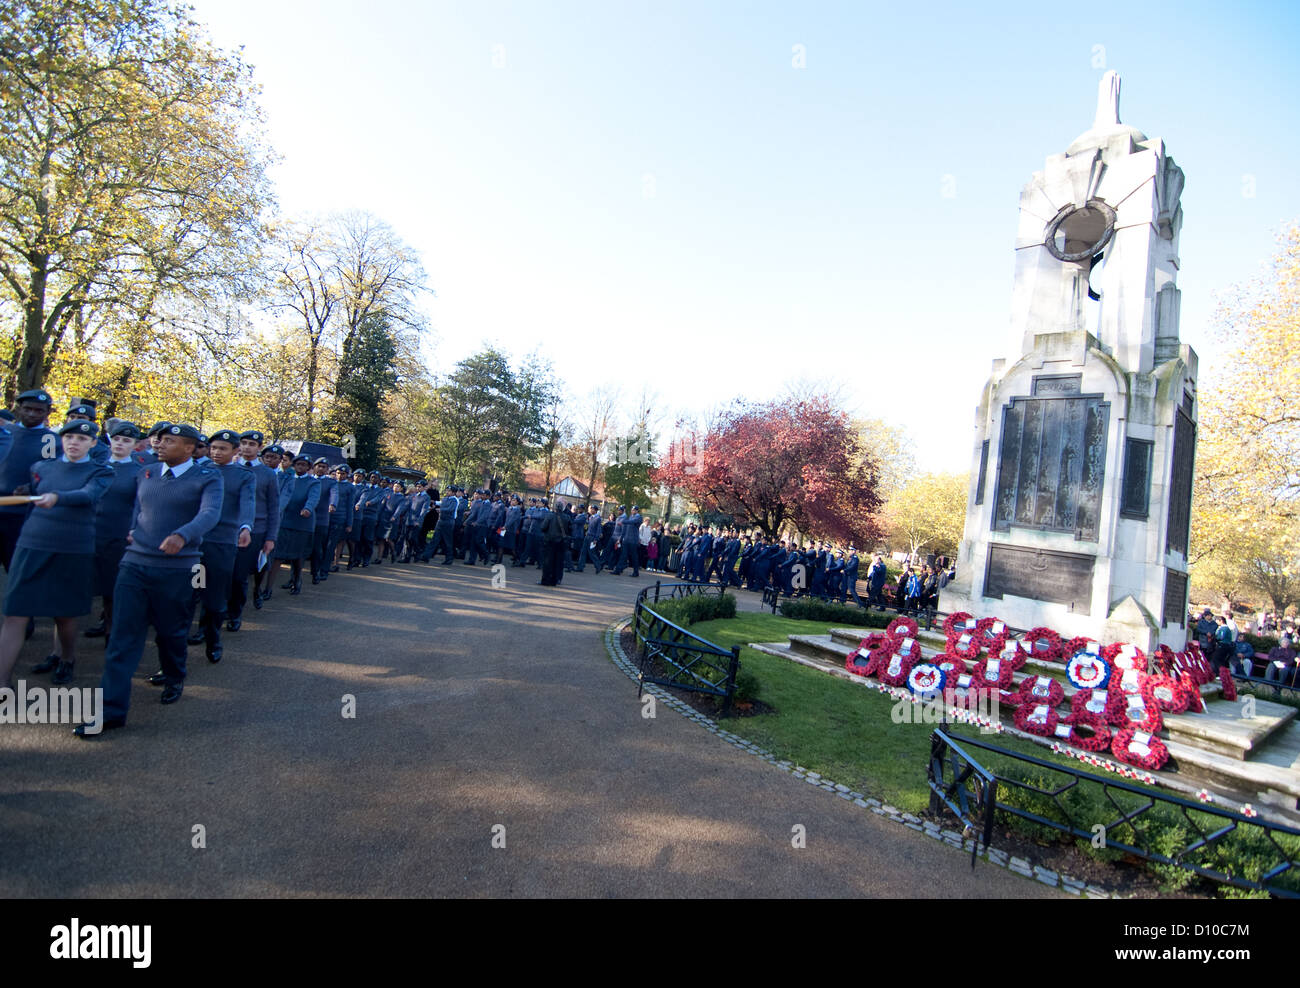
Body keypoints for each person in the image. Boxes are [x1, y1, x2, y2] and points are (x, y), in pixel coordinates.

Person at [76, 424, 222, 735]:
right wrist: (133, 529)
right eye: (159, 439)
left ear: (188, 448)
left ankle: (174, 675)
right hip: (134, 564)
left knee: (170, 633)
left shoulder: (208, 478)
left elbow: (210, 514)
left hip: (178, 569)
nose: (159, 444)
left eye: (169, 441)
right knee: (122, 638)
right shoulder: (147, 472)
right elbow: (137, 507)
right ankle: (110, 712)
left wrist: (182, 536)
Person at [0, 420, 111, 689]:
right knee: (16, 613)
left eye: (82, 439)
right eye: (69, 436)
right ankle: (2, 681)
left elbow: (88, 495)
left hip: (72, 547)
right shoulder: (40, 468)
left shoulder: (101, 471)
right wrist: (28, 492)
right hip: (32, 544)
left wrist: (57, 497)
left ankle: (67, 659)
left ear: (93, 443)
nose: (74, 442)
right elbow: (32, 501)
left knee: (65, 614)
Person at [189, 430, 253, 663]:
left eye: (223, 449)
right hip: (195, 541)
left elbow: (247, 503)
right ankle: (193, 634)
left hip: (222, 542)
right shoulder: (197, 471)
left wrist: (245, 526)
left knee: (214, 595)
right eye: (213, 448)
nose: (216, 452)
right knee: (191, 591)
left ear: (235, 452)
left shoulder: (244, 476)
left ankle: (213, 637)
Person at [84, 422, 145, 641]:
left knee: (112, 586)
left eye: (126, 441)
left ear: (135, 445)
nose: (120, 444)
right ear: (110, 440)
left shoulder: (138, 472)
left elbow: (140, 506)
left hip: (118, 535)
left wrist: (134, 530)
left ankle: (111, 629)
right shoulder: (95, 465)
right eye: (117, 439)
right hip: (89, 531)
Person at [226, 430, 279, 627]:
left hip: (256, 530)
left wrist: (270, 537)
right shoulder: (229, 468)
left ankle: (235, 613)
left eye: (252, 444)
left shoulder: (267, 474)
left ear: (259, 448)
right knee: (221, 574)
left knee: (240, 575)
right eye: (244, 443)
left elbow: (274, 507)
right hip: (227, 528)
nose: (247, 447)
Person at [273, 455, 320, 595]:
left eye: (304, 465)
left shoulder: (313, 482)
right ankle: (267, 588)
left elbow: (313, 497)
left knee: (298, 556)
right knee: (278, 555)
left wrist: (308, 508)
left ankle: (297, 580)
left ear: (309, 467)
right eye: (298, 464)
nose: (300, 467)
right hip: (285, 520)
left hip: (302, 523)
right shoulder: (286, 478)